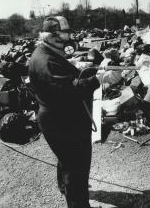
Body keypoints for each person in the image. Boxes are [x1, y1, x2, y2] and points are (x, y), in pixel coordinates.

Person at [28, 16, 105, 208]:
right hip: (62, 121)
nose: (70, 37)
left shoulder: (46, 51)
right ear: (53, 36)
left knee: (66, 160)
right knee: (76, 169)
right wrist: (100, 80)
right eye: (65, 33)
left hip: (59, 117)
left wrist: (75, 66)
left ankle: (63, 186)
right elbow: (70, 91)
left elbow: (61, 76)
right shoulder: (45, 61)